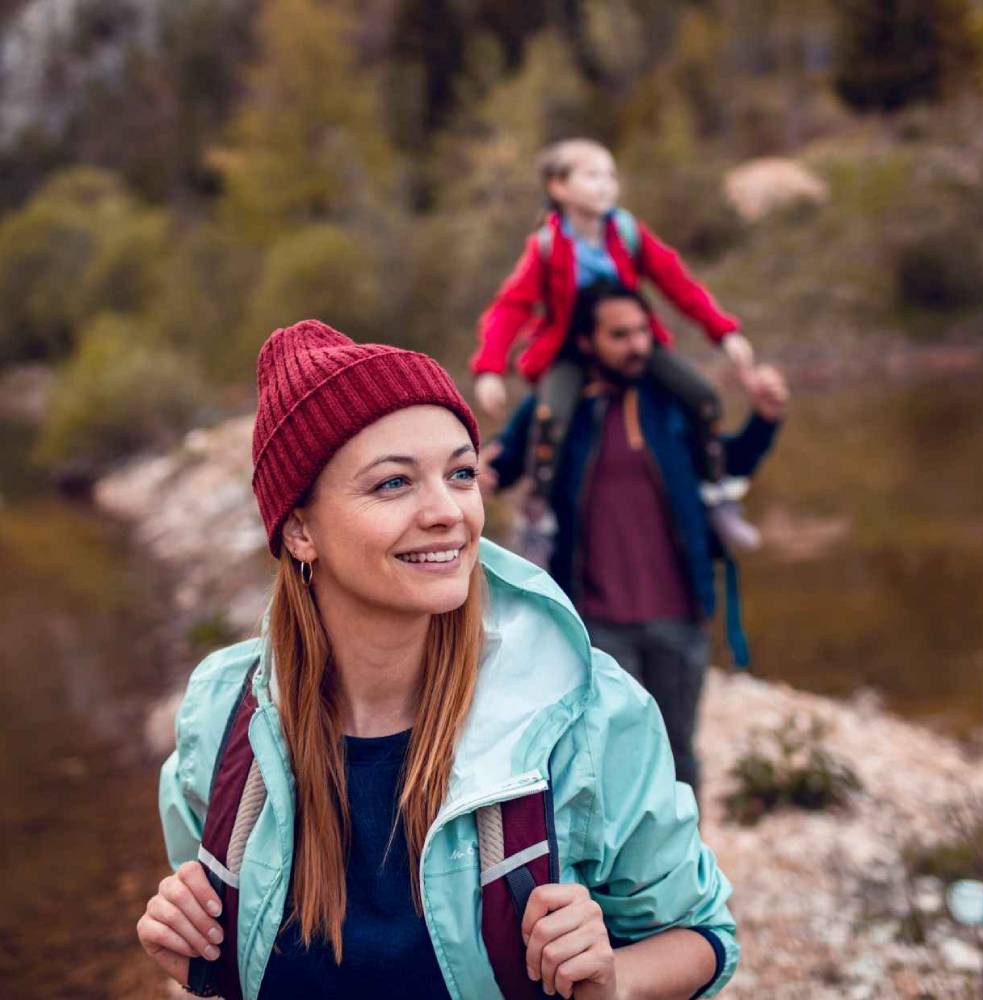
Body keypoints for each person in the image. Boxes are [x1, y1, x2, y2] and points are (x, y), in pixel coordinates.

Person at [136, 320, 739, 1000]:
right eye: (394, 484)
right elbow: (224, 955)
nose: (448, 512)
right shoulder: (222, 720)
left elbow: (705, 937)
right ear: (300, 529)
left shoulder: (586, 712)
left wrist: (613, 980)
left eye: (460, 474)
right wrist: (196, 960)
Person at [481, 285, 788, 797]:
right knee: (606, 760)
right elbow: (500, 466)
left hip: (679, 615)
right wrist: (469, 473)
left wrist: (765, 418)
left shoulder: (672, 405)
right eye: (620, 335)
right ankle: (613, 874)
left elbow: (729, 464)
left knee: (678, 754)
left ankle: (683, 871)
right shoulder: (552, 413)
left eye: (643, 331)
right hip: (595, 623)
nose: (638, 345)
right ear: (586, 340)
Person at [470, 137, 760, 558]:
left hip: (631, 341)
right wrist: (489, 368)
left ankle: (717, 493)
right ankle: (537, 516)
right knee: (550, 416)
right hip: (571, 348)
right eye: (591, 175)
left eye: (610, 175)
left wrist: (725, 332)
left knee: (702, 396)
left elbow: (678, 284)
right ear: (558, 186)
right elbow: (511, 306)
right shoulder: (548, 245)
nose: (606, 185)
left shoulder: (626, 233)